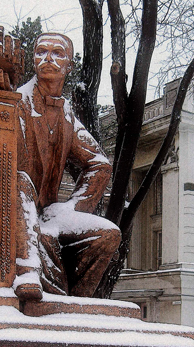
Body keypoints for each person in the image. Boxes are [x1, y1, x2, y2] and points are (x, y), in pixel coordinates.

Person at [12, 33, 120, 300]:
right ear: (33, 60)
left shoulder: (66, 113)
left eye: (57, 53)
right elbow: (1, 166)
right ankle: (28, 268)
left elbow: (99, 165)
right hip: (15, 211)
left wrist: (71, 208)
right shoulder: (15, 103)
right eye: (41, 51)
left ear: (69, 66)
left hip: (48, 213)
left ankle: (73, 306)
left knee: (109, 234)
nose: (47, 58)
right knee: (19, 180)